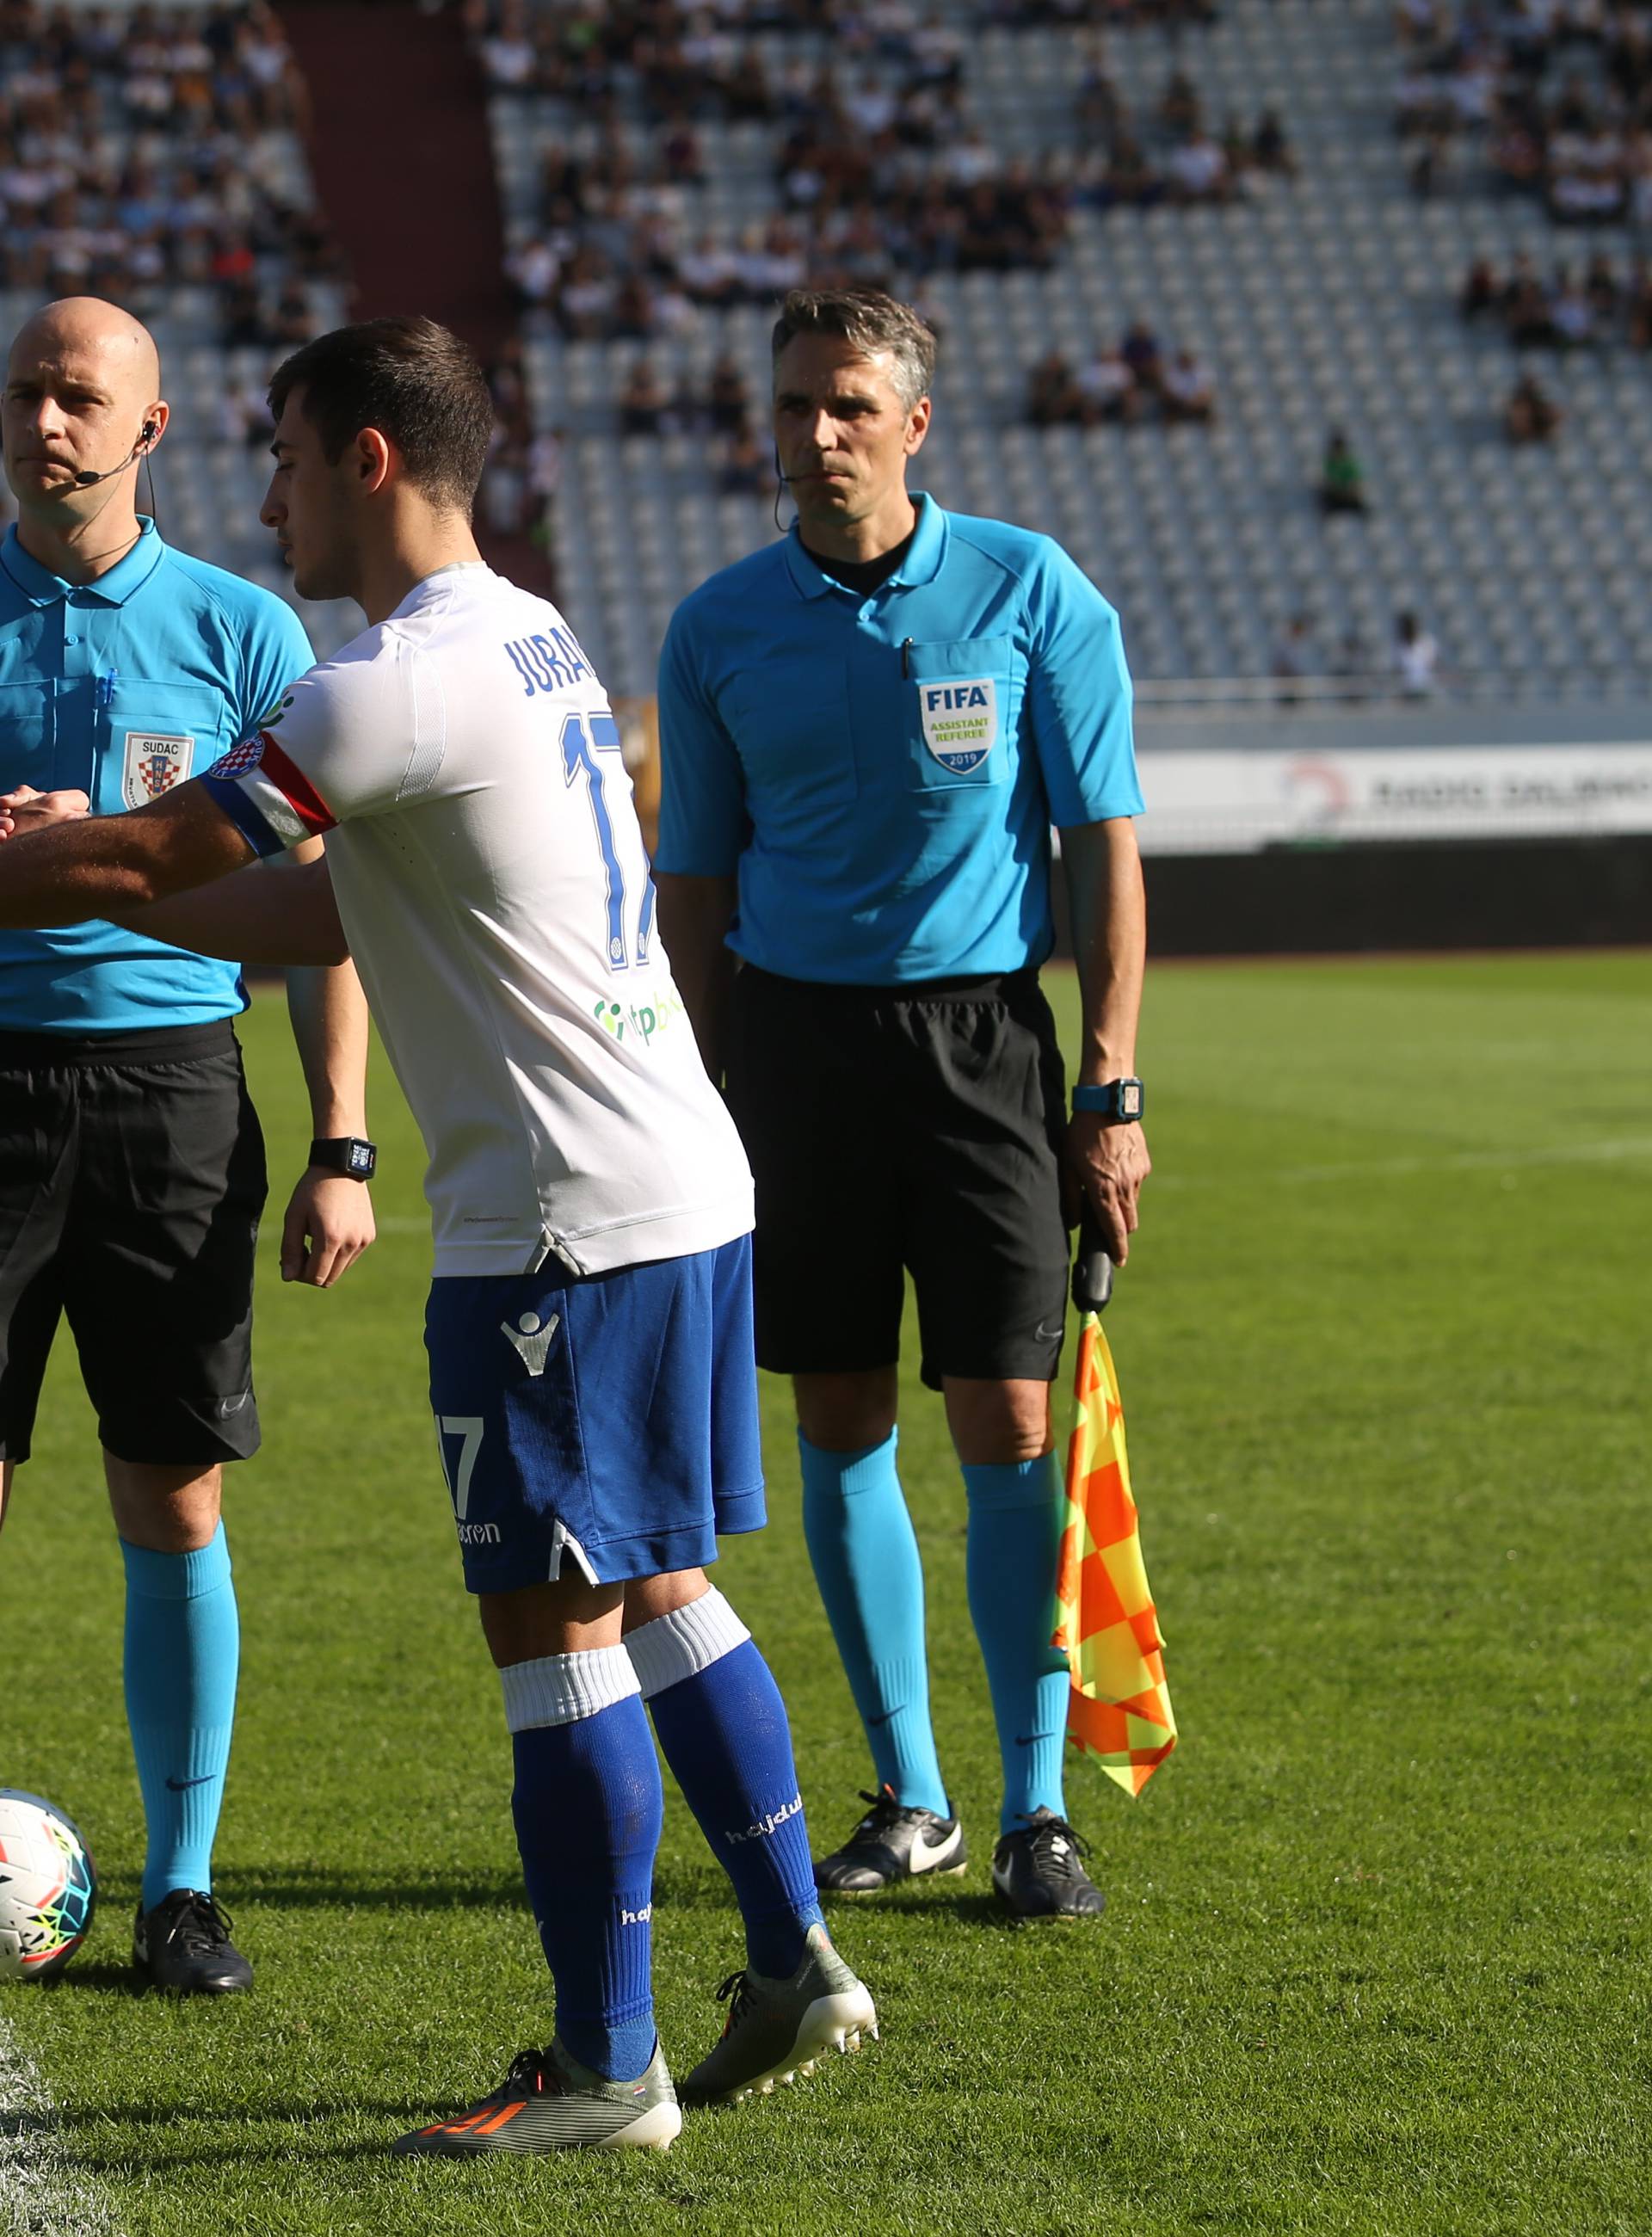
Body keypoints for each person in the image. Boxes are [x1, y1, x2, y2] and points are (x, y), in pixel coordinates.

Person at [0, 316, 874, 2153]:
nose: (270, 497)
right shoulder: (527, 636)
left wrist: (75, 856)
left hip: (554, 1221)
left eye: (290, 461)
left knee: (547, 1624)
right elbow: (323, 914)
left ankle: (608, 2066)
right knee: (657, 1589)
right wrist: (98, 850)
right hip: (675, 1182)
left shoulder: (377, 681)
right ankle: (794, 1954)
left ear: (372, 463)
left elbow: (170, 865)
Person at [654, 287, 1150, 1922]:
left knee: (1006, 1420)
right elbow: (700, 889)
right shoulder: (719, 625)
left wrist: (1110, 1079)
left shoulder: (1028, 589)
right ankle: (912, 1795)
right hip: (794, 1055)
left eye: (849, 405)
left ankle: (1032, 1809)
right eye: (795, 403)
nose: (815, 435)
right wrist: (693, 1087)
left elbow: (1102, 848)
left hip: (986, 1053)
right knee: (839, 1417)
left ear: (915, 423)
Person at [0, 296, 374, 1996]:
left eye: (81, 396)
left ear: (150, 430)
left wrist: (344, 1142)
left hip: (172, 1094)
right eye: (27, 391)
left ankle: (184, 1887)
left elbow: (333, 912)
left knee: (173, 1490)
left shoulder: (240, 633)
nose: (46, 420)